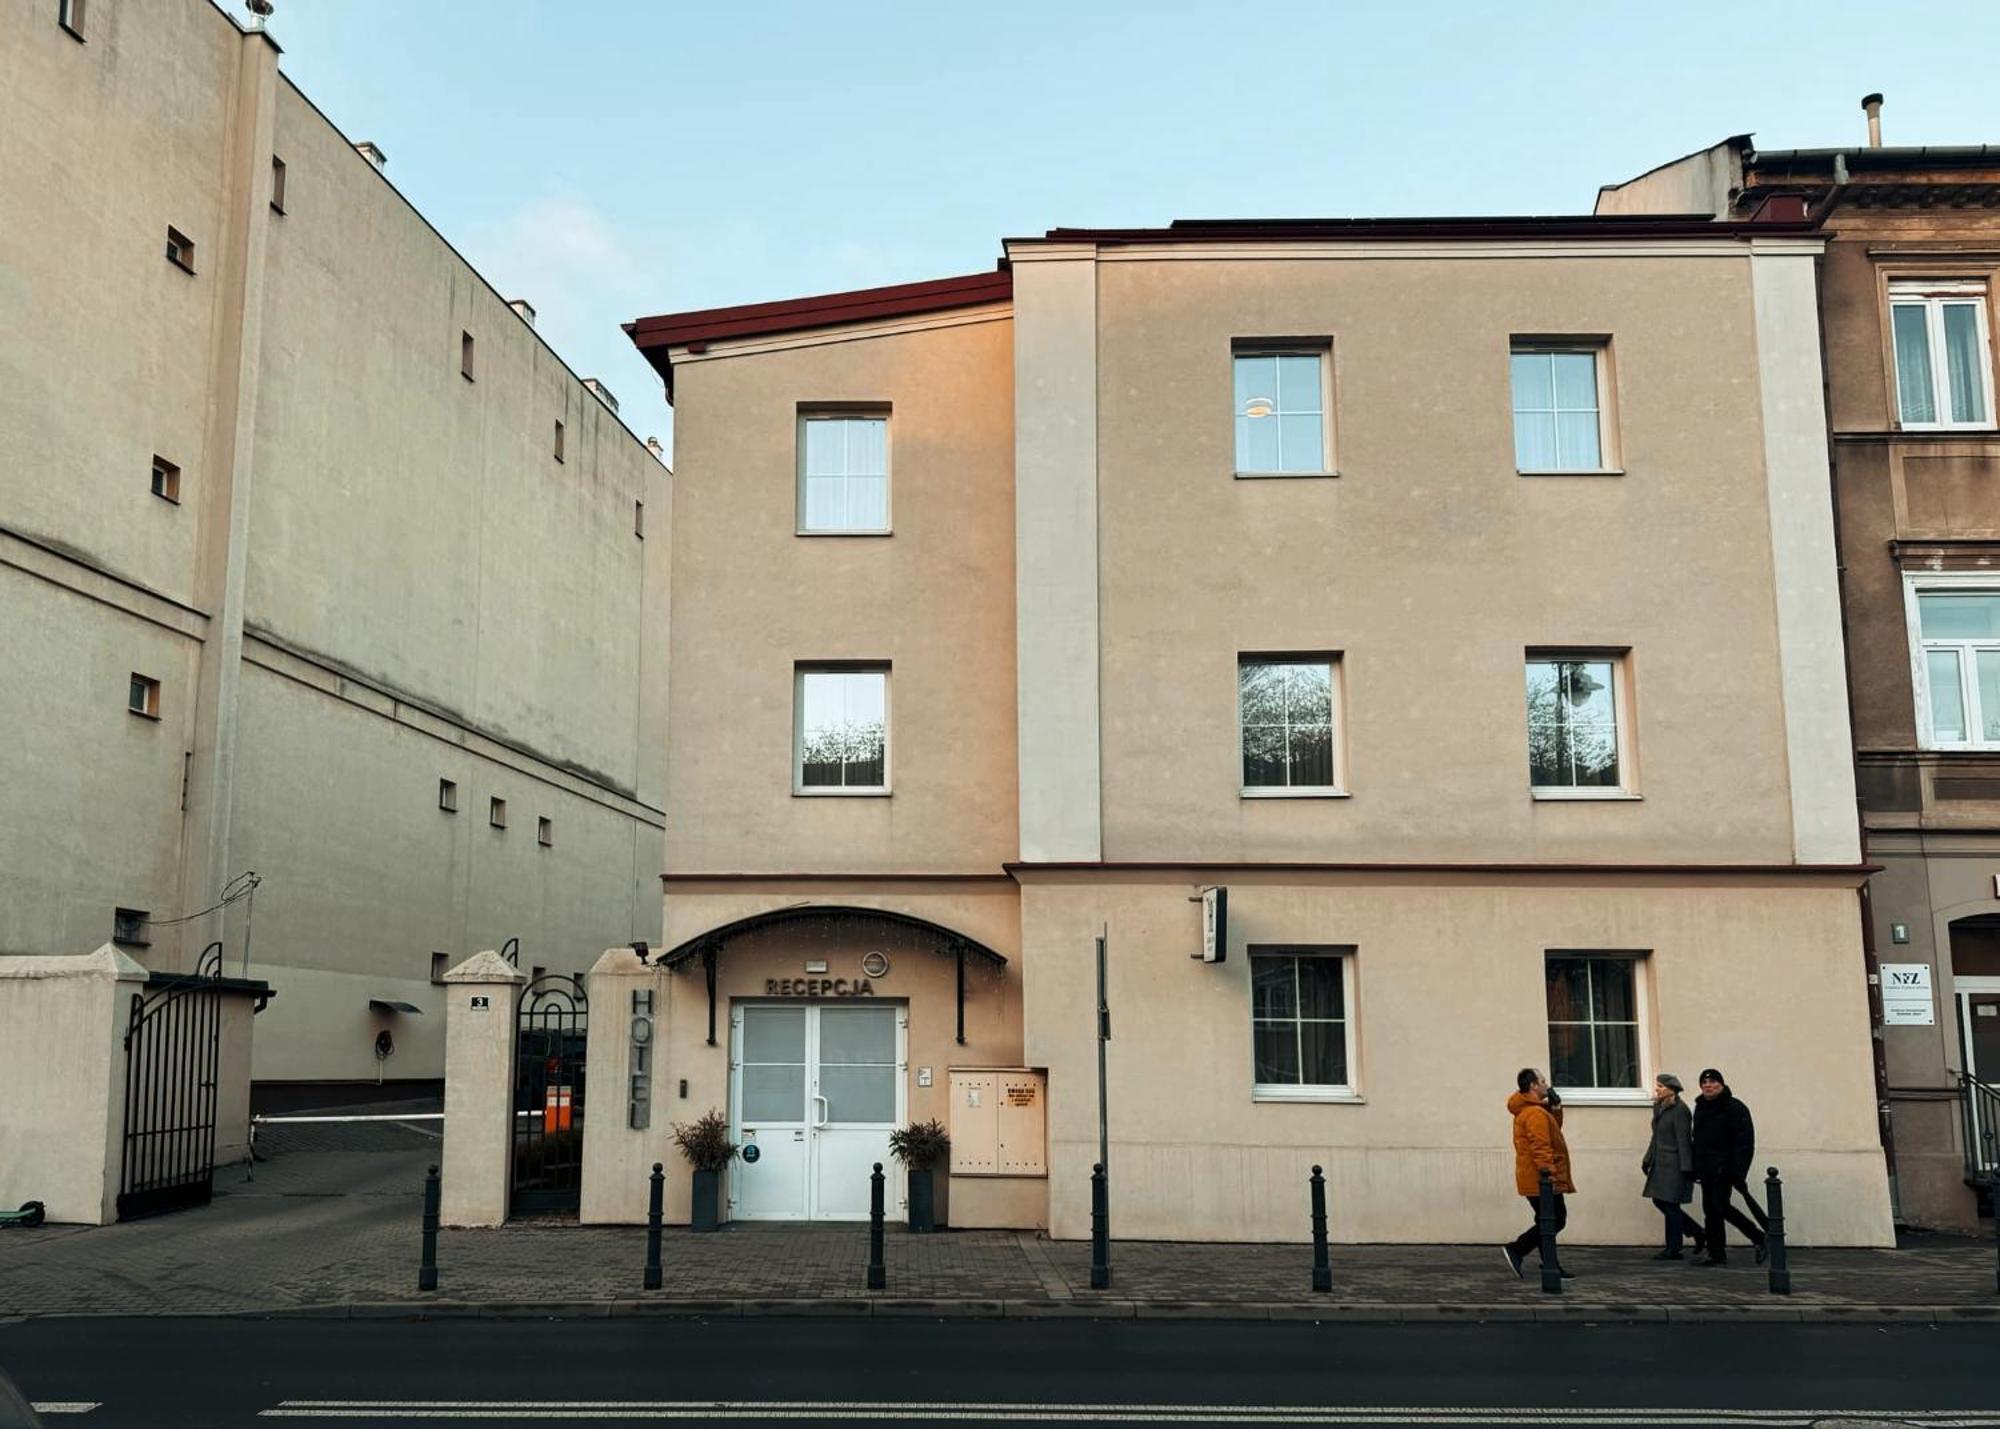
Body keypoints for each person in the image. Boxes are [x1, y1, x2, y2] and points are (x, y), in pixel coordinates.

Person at [1688, 1066, 1768, 1266]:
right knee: (1711, 1210)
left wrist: (1737, 1171)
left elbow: (1744, 1143)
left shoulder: (1734, 1107)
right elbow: (1697, 1139)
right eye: (1704, 1083)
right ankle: (1716, 1253)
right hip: (1706, 1169)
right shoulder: (1701, 1107)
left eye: (1713, 1082)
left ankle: (1758, 1237)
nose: (1708, 1086)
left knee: (1720, 1206)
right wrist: (1695, 1167)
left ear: (1721, 1084)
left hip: (1725, 1168)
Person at [1502, 1067, 1574, 1279]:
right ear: (1533, 1085)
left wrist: (1556, 1108)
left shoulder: (1536, 1110)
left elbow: (1552, 1130)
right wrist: (1548, 1174)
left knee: (1547, 1220)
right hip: (1540, 1178)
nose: (1547, 1085)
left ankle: (1550, 1264)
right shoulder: (1534, 1113)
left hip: (1533, 1176)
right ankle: (1516, 1249)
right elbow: (1541, 1146)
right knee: (1555, 1219)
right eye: (1543, 1081)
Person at [1641, 1072, 1704, 1260]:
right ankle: (1697, 1232)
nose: (1656, 1089)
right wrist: (1648, 1158)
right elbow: (1656, 1137)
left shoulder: (1680, 1110)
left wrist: (1687, 1168)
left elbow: (1683, 1140)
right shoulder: (1660, 1107)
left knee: (1670, 1205)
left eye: (1660, 1086)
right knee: (1661, 1201)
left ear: (1670, 1090)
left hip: (1675, 1164)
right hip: (1661, 1163)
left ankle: (1674, 1248)